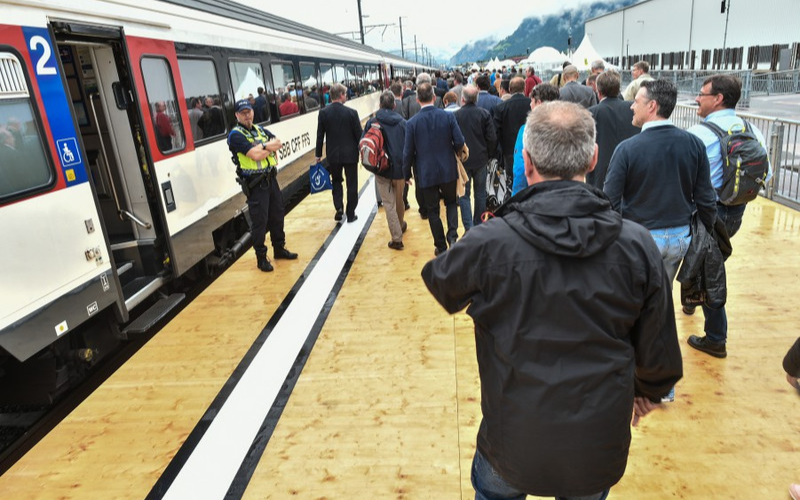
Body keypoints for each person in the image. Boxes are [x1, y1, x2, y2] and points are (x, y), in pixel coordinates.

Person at [422, 100, 682, 500]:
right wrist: (647, 389)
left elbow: (441, 281)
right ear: (593, 159)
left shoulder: (490, 242)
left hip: (510, 439)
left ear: (527, 163)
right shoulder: (636, 244)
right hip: (596, 445)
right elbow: (660, 350)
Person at [684, 74, 771, 358]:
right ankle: (691, 301)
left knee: (711, 271)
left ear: (718, 98)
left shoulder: (699, 134)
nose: (697, 98)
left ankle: (715, 338)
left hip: (706, 212)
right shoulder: (752, 130)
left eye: (702, 94)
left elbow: (682, 176)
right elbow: (766, 172)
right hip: (736, 211)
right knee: (707, 260)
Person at [604, 79, 716, 285]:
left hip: (641, 237)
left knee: (635, 295)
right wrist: (705, 232)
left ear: (652, 106)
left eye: (636, 101)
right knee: (663, 292)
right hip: (680, 237)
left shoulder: (627, 149)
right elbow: (706, 198)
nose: (631, 106)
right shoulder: (694, 144)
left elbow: (610, 199)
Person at [227, 99, 297, 272]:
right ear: (237, 115)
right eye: (243, 113)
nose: (247, 115)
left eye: (248, 111)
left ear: (253, 112)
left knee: (277, 214)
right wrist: (267, 147)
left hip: (270, 180)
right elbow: (255, 155)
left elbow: (278, 143)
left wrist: (262, 147)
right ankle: (261, 258)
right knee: (260, 222)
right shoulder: (235, 135)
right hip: (256, 184)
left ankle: (279, 248)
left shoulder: (260, 129)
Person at [403, 82, 465, 256]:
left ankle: (441, 246)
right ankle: (453, 237)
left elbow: (407, 152)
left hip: (426, 172)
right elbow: (459, 141)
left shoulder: (412, 123)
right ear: (434, 97)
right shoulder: (448, 117)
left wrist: (406, 174)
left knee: (433, 210)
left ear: (417, 99)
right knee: (451, 203)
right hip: (448, 168)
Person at [363, 91, 407, 250]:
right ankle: (400, 225)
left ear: (380, 105)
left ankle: (396, 238)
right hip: (400, 169)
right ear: (394, 105)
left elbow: (364, 143)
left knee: (388, 203)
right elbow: (409, 147)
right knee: (399, 199)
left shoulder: (372, 122)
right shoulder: (403, 123)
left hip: (381, 169)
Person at [315, 83, 362, 223]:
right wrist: (362, 151)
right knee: (351, 183)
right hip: (351, 155)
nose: (346, 96)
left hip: (333, 155)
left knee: (336, 181)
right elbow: (359, 135)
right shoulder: (352, 113)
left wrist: (318, 155)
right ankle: (351, 213)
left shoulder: (323, 113)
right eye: (345, 94)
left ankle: (339, 208)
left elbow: (320, 136)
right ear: (341, 95)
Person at [586, 72, 640, 189]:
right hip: (631, 168)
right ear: (618, 89)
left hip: (600, 172)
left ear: (598, 92)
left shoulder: (590, 113)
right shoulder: (633, 109)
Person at [454, 85, 496, 229]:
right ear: (476, 99)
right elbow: (491, 138)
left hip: (463, 161)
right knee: (480, 193)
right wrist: (489, 154)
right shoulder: (484, 114)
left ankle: (468, 227)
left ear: (463, 99)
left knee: (464, 195)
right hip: (481, 159)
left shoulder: (456, 115)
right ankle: (479, 224)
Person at [510, 83, 560, 195]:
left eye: (532, 101)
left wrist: (518, 196)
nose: (530, 104)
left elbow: (520, 168)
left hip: (534, 193)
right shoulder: (566, 128)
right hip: (561, 192)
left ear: (539, 103)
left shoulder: (527, 130)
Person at [493, 76, 530, 188]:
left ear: (509, 89)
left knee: (511, 180)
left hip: (509, 149)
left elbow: (496, 131)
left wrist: (499, 151)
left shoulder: (501, 107)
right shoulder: (531, 104)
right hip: (530, 147)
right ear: (524, 88)